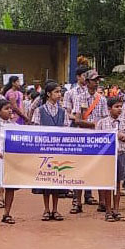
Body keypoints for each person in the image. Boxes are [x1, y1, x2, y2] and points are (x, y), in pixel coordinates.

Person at [67, 69, 108, 212]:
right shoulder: (79, 97)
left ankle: (102, 202)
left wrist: (97, 126)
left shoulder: (102, 99)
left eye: (98, 80)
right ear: (88, 82)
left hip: (98, 139)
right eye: (94, 80)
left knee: (100, 169)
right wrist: (94, 124)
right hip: (83, 138)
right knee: (80, 169)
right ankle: (77, 202)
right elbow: (77, 120)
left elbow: (105, 119)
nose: (97, 83)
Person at [32, 80, 71, 221]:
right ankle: (46, 208)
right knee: (46, 179)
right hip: (44, 149)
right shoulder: (39, 110)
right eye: (56, 92)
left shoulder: (63, 111)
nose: (59, 94)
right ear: (49, 94)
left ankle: (55, 209)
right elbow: (36, 130)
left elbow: (66, 130)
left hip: (58, 149)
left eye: (60, 92)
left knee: (57, 179)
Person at [96, 98, 125, 222]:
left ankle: (116, 210)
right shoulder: (102, 123)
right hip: (107, 156)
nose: (119, 109)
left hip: (121, 153)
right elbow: (97, 139)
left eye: (121, 106)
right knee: (108, 183)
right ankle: (108, 211)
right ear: (109, 108)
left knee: (117, 183)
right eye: (116, 106)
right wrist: (113, 136)